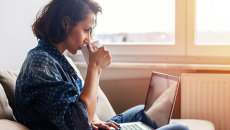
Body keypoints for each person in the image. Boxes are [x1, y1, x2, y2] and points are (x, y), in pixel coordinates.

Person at [15, 0, 189, 130]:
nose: (88, 40)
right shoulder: (40, 65)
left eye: (90, 31)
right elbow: (79, 123)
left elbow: (81, 110)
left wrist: (94, 119)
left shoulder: (58, 60)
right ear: (66, 23)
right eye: (86, 30)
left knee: (143, 111)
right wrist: (94, 68)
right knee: (181, 129)